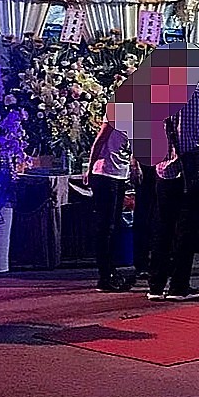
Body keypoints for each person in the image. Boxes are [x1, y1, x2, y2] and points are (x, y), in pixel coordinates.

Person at [148, 76, 199, 302]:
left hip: (164, 168)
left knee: (163, 226)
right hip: (192, 167)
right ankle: (179, 286)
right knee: (187, 229)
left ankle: (156, 285)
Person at [85, 118, 132, 292]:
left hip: (120, 173)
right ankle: (105, 274)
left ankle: (112, 270)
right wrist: (89, 169)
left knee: (115, 225)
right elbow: (99, 141)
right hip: (105, 173)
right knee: (106, 226)